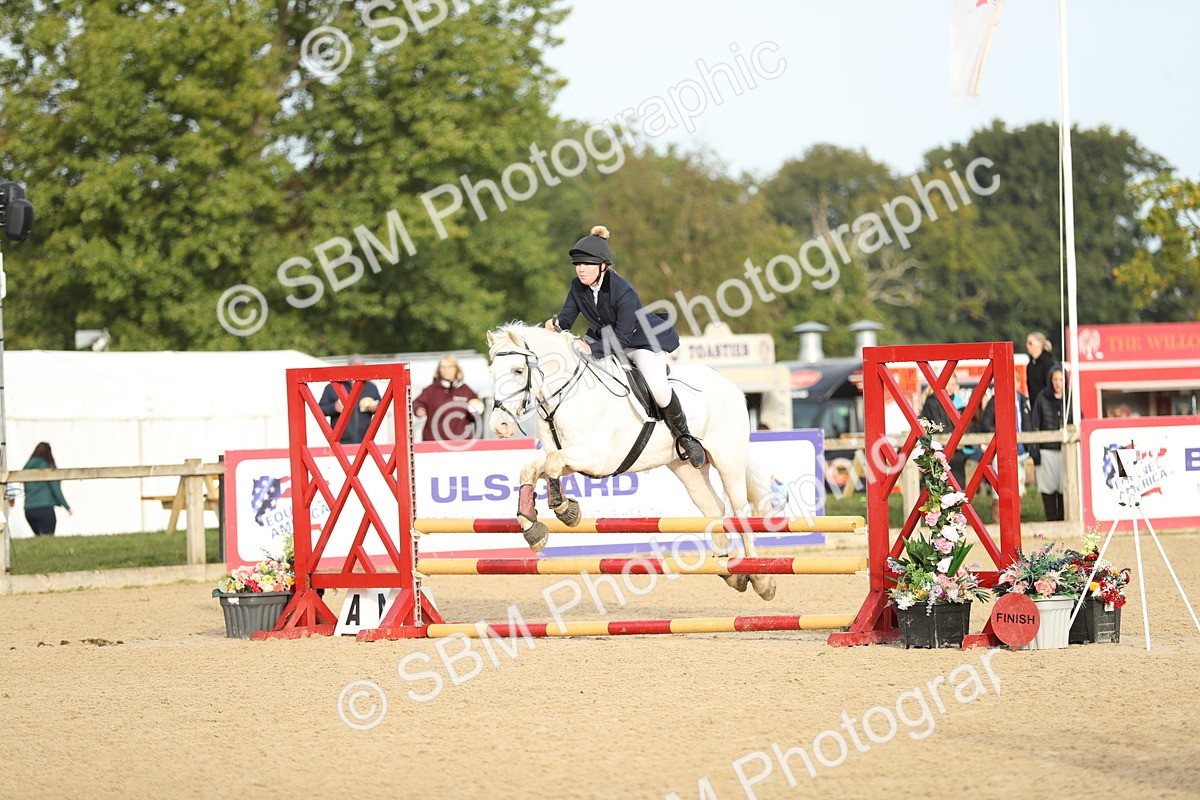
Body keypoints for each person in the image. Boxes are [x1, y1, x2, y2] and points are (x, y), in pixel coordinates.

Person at [545, 225, 704, 468]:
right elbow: (566, 319)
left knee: (658, 389)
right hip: (603, 340)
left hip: (639, 342)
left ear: (603, 266)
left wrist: (593, 349)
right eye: (578, 264)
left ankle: (686, 437)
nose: (580, 269)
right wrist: (555, 324)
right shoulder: (577, 286)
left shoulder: (623, 290)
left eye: (586, 264)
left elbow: (623, 338)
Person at [1029, 363, 1072, 521]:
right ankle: (1051, 519)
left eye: (1061, 379)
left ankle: (1063, 519)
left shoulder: (1070, 399)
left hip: (1066, 450)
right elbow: (1035, 425)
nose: (1058, 383)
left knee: (1063, 486)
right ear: (1050, 380)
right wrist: (1035, 452)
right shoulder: (1042, 398)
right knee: (1048, 487)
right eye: (1055, 379)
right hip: (1046, 449)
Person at [413, 354, 484, 442]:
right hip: (434, 441)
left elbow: (477, 413)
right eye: (443, 367)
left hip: (461, 442)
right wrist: (418, 409)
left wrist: (475, 412)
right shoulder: (431, 390)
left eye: (449, 367)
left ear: (456, 369)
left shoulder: (466, 390)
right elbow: (417, 403)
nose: (446, 370)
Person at [919, 375, 969, 488]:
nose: (950, 387)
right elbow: (937, 425)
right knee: (936, 488)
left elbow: (968, 424)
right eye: (948, 384)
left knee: (957, 488)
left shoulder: (959, 403)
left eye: (953, 384)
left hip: (957, 454)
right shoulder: (932, 401)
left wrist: (963, 440)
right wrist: (954, 441)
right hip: (939, 451)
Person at [319, 354, 380, 444]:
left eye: (361, 369)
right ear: (348, 368)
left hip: (365, 441)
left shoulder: (371, 387)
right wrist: (334, 407)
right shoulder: (333, 387)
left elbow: (382, 406)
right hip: (340, 442)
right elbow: (320, 409)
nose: (358, 372)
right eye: (355, 369)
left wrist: (375, 408)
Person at [22, 442, 72, 535]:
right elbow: (55, 489)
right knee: (47, 539)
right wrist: (67, 506)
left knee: (39, 541)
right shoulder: (47, 466)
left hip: (29, 510)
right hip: (44, 508)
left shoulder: (27, 467)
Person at [1024, 331, 1058, 405]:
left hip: (1047, 406)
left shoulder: (1048, 363)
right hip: (1035, 407)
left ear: (1039, 344)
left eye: (1030, 343)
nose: (1027, 345)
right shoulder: (1030, 366)